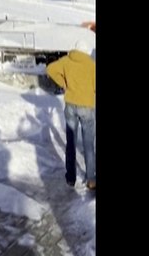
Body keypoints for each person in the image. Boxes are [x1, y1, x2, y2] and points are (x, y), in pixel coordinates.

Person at [46, 38, 96, 190]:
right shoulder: (91, 65)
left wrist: (64, 83)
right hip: (87, 106)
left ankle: (70, 178)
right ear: (87, 51)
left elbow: (50, 69)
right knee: (88, 144)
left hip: (70, 106)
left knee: (71, 143)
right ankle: (91, 179)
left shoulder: (66, 61)